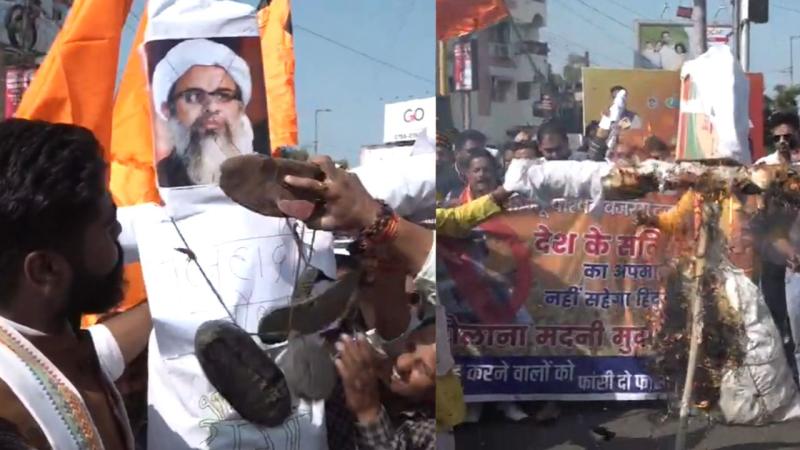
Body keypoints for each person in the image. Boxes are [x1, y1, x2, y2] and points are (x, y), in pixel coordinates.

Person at [0, 119, 152, 449]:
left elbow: (104, 348)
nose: (120, 234)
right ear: (45, 270)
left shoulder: (55, 344)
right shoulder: (8, 417)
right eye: (109, 227)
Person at [152, 38, 256, 187]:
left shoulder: (264, 177)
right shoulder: (155, 182)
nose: (212, 108)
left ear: (240, 108)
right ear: (168, 110)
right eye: (194, 96)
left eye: (223, 95)